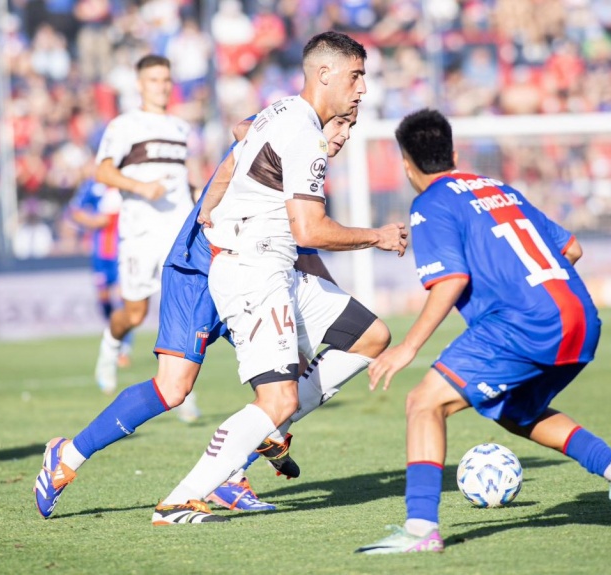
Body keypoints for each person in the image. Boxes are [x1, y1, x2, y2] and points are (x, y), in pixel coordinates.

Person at [34, 109, 360, 518]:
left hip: (253, 274)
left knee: (287, 378)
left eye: (351, 126)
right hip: (201, 267)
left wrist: (327, 299)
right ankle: (68, 455)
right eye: (342, 123)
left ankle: (232, 475)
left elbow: (301, 242)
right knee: (174, 389)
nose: (346, 135)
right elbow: (243, 127)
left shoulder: (309, 161)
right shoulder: (291, 123)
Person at [355, 109, 611, 555]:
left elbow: (451, 281)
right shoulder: (498, 188)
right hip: (582, 319)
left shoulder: (431, 203)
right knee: (514, 410)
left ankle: (420, 530)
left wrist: (406, 348)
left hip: (523, 322)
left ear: (406, 164)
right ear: (453, 153)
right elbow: (572, 247)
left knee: (423, 402)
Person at [150, 31, 407, 525]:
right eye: (356, 77)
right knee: (278, 397)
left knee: (372, 335)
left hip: (276, 267)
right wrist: (375, 236)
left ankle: (270, 429)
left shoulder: (282, 111)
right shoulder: (304, 134)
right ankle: (180, 499)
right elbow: (309, 228)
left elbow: (239, 131)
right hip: (252, 272)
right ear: (324, 74)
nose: (362, 90)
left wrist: (212, 201)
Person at [91, 54, 197, 401]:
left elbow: (187, 179)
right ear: (139, 84)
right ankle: (110, 346)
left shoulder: (181, 128)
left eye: (166, 79)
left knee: (184, 308)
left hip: (177, 233)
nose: (161, 86)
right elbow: (103, 172)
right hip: (140, 235)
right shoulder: (125, 126)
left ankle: (182, 387)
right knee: (135, 313)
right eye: (154, 79)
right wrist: (142, 188)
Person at [67, 172, 136, 370]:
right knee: (104, 301)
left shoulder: (127, 182)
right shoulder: (94, 184)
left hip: (123, 251)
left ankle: (124, 348)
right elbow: (75, 210)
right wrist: (94, 221)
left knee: (125, 300)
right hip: (101, 254)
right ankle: (114, 335)